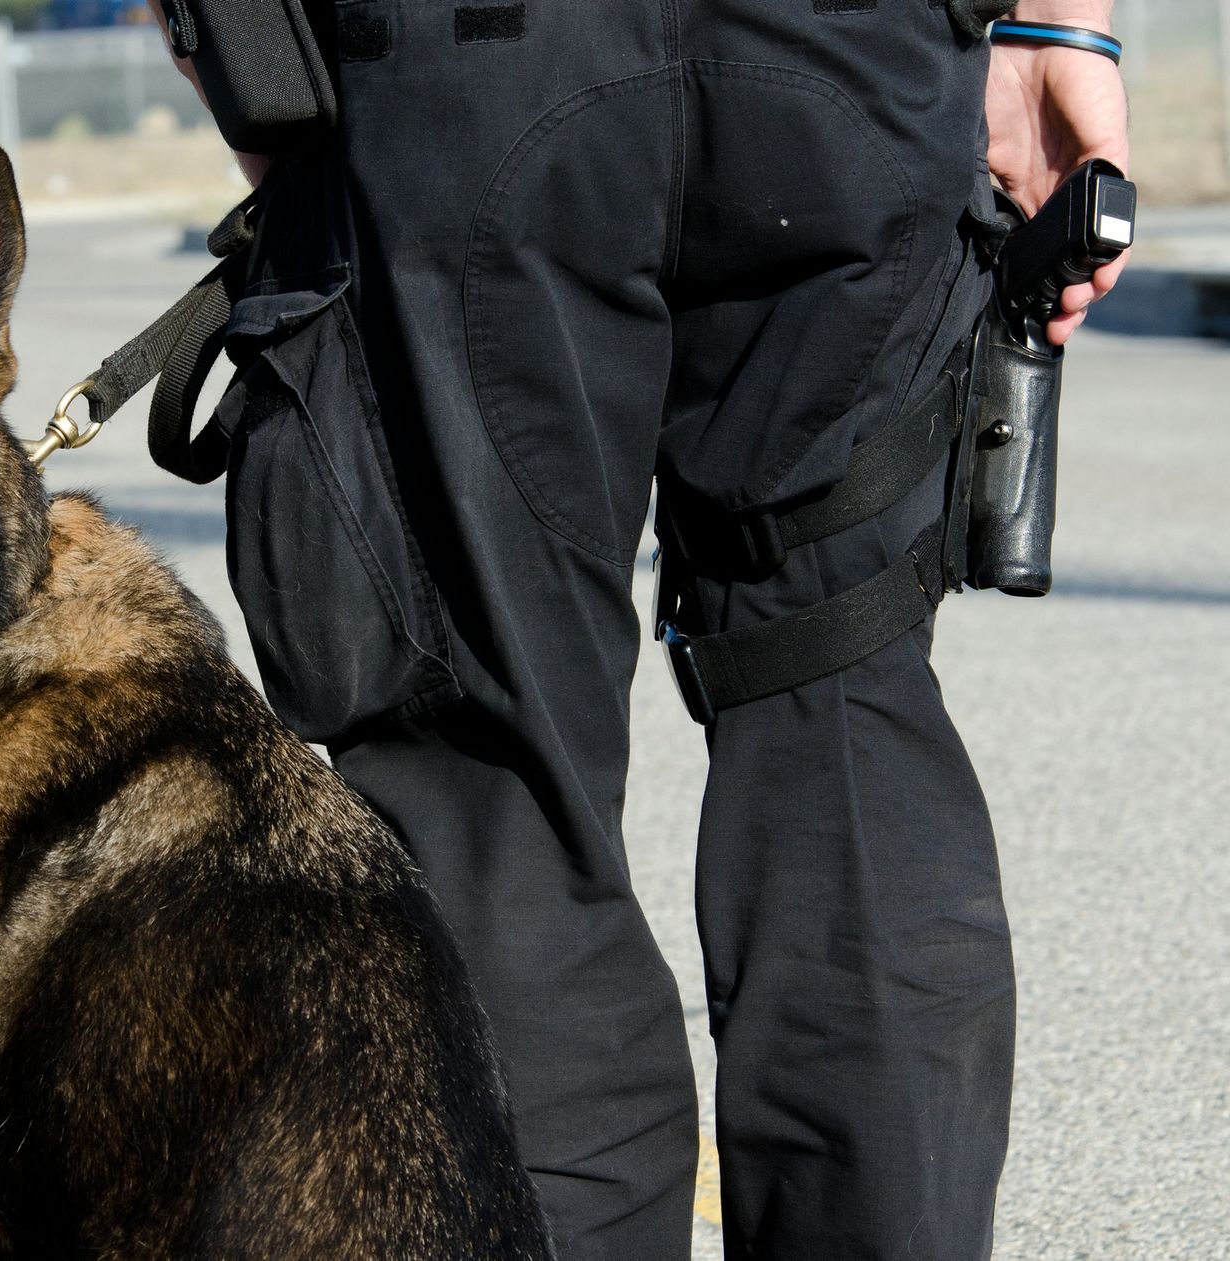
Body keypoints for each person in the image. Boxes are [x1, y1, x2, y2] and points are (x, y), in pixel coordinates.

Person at [150, 1, 1129, 1256]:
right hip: (848, 51)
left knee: (488, 782)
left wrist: (244, 53)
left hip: (467, 70)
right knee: (842, 703)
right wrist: (1063, 27)